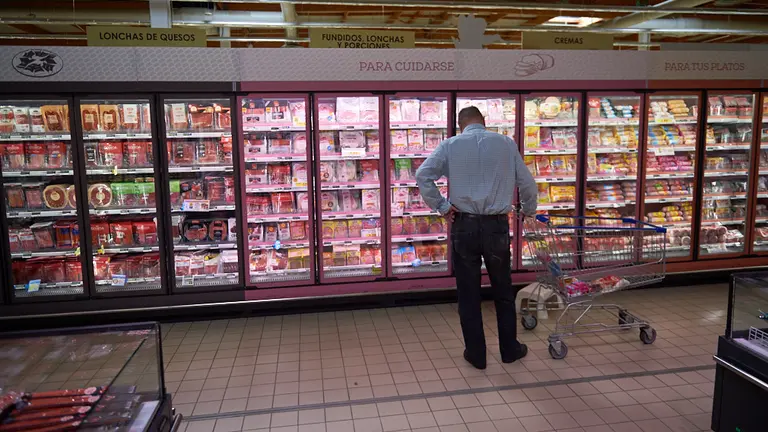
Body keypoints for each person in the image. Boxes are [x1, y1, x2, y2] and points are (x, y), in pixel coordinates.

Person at [415, 106, 538, 370]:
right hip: (496, 227)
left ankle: (476, 354)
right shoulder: (505, 143)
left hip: (464, 226)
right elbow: (527, 183)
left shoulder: (450, 145)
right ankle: (510, 350)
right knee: (503, 290)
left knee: (468, 293)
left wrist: (443, 206)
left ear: (461, 125)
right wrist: (527, 210)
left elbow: (423, 175)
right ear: (484, 122)